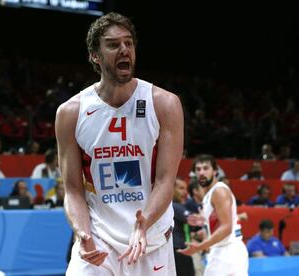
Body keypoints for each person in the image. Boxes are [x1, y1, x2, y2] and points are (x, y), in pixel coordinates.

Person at [55, 12, 183, 275]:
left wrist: (143, 223)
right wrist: (82, 232)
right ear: (95, 56)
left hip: (151, 238)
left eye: (129, 43)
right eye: (113, 44)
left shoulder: (164, 104)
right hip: (99, 239)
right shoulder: (70, 113)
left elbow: (165, 181)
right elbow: (73, 189)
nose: (124, 50)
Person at [178, 154, 248, 276]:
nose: (201, 172)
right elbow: (219, 221)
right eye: (198, 169)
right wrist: (203, 221)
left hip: (229, 251)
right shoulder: (210, 194)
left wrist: (200, 246)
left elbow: (226, 227)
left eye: (206, 168)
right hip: (221, 251)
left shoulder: (219, 191)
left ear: (215, 171)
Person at [172, 178, 195, 276]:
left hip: (177, 250)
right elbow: (195, 220)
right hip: (179, 251)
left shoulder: (178, 206)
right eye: (181, 188)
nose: (185, 192)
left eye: (186, 189)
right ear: (171, 189)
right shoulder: (174, 206)